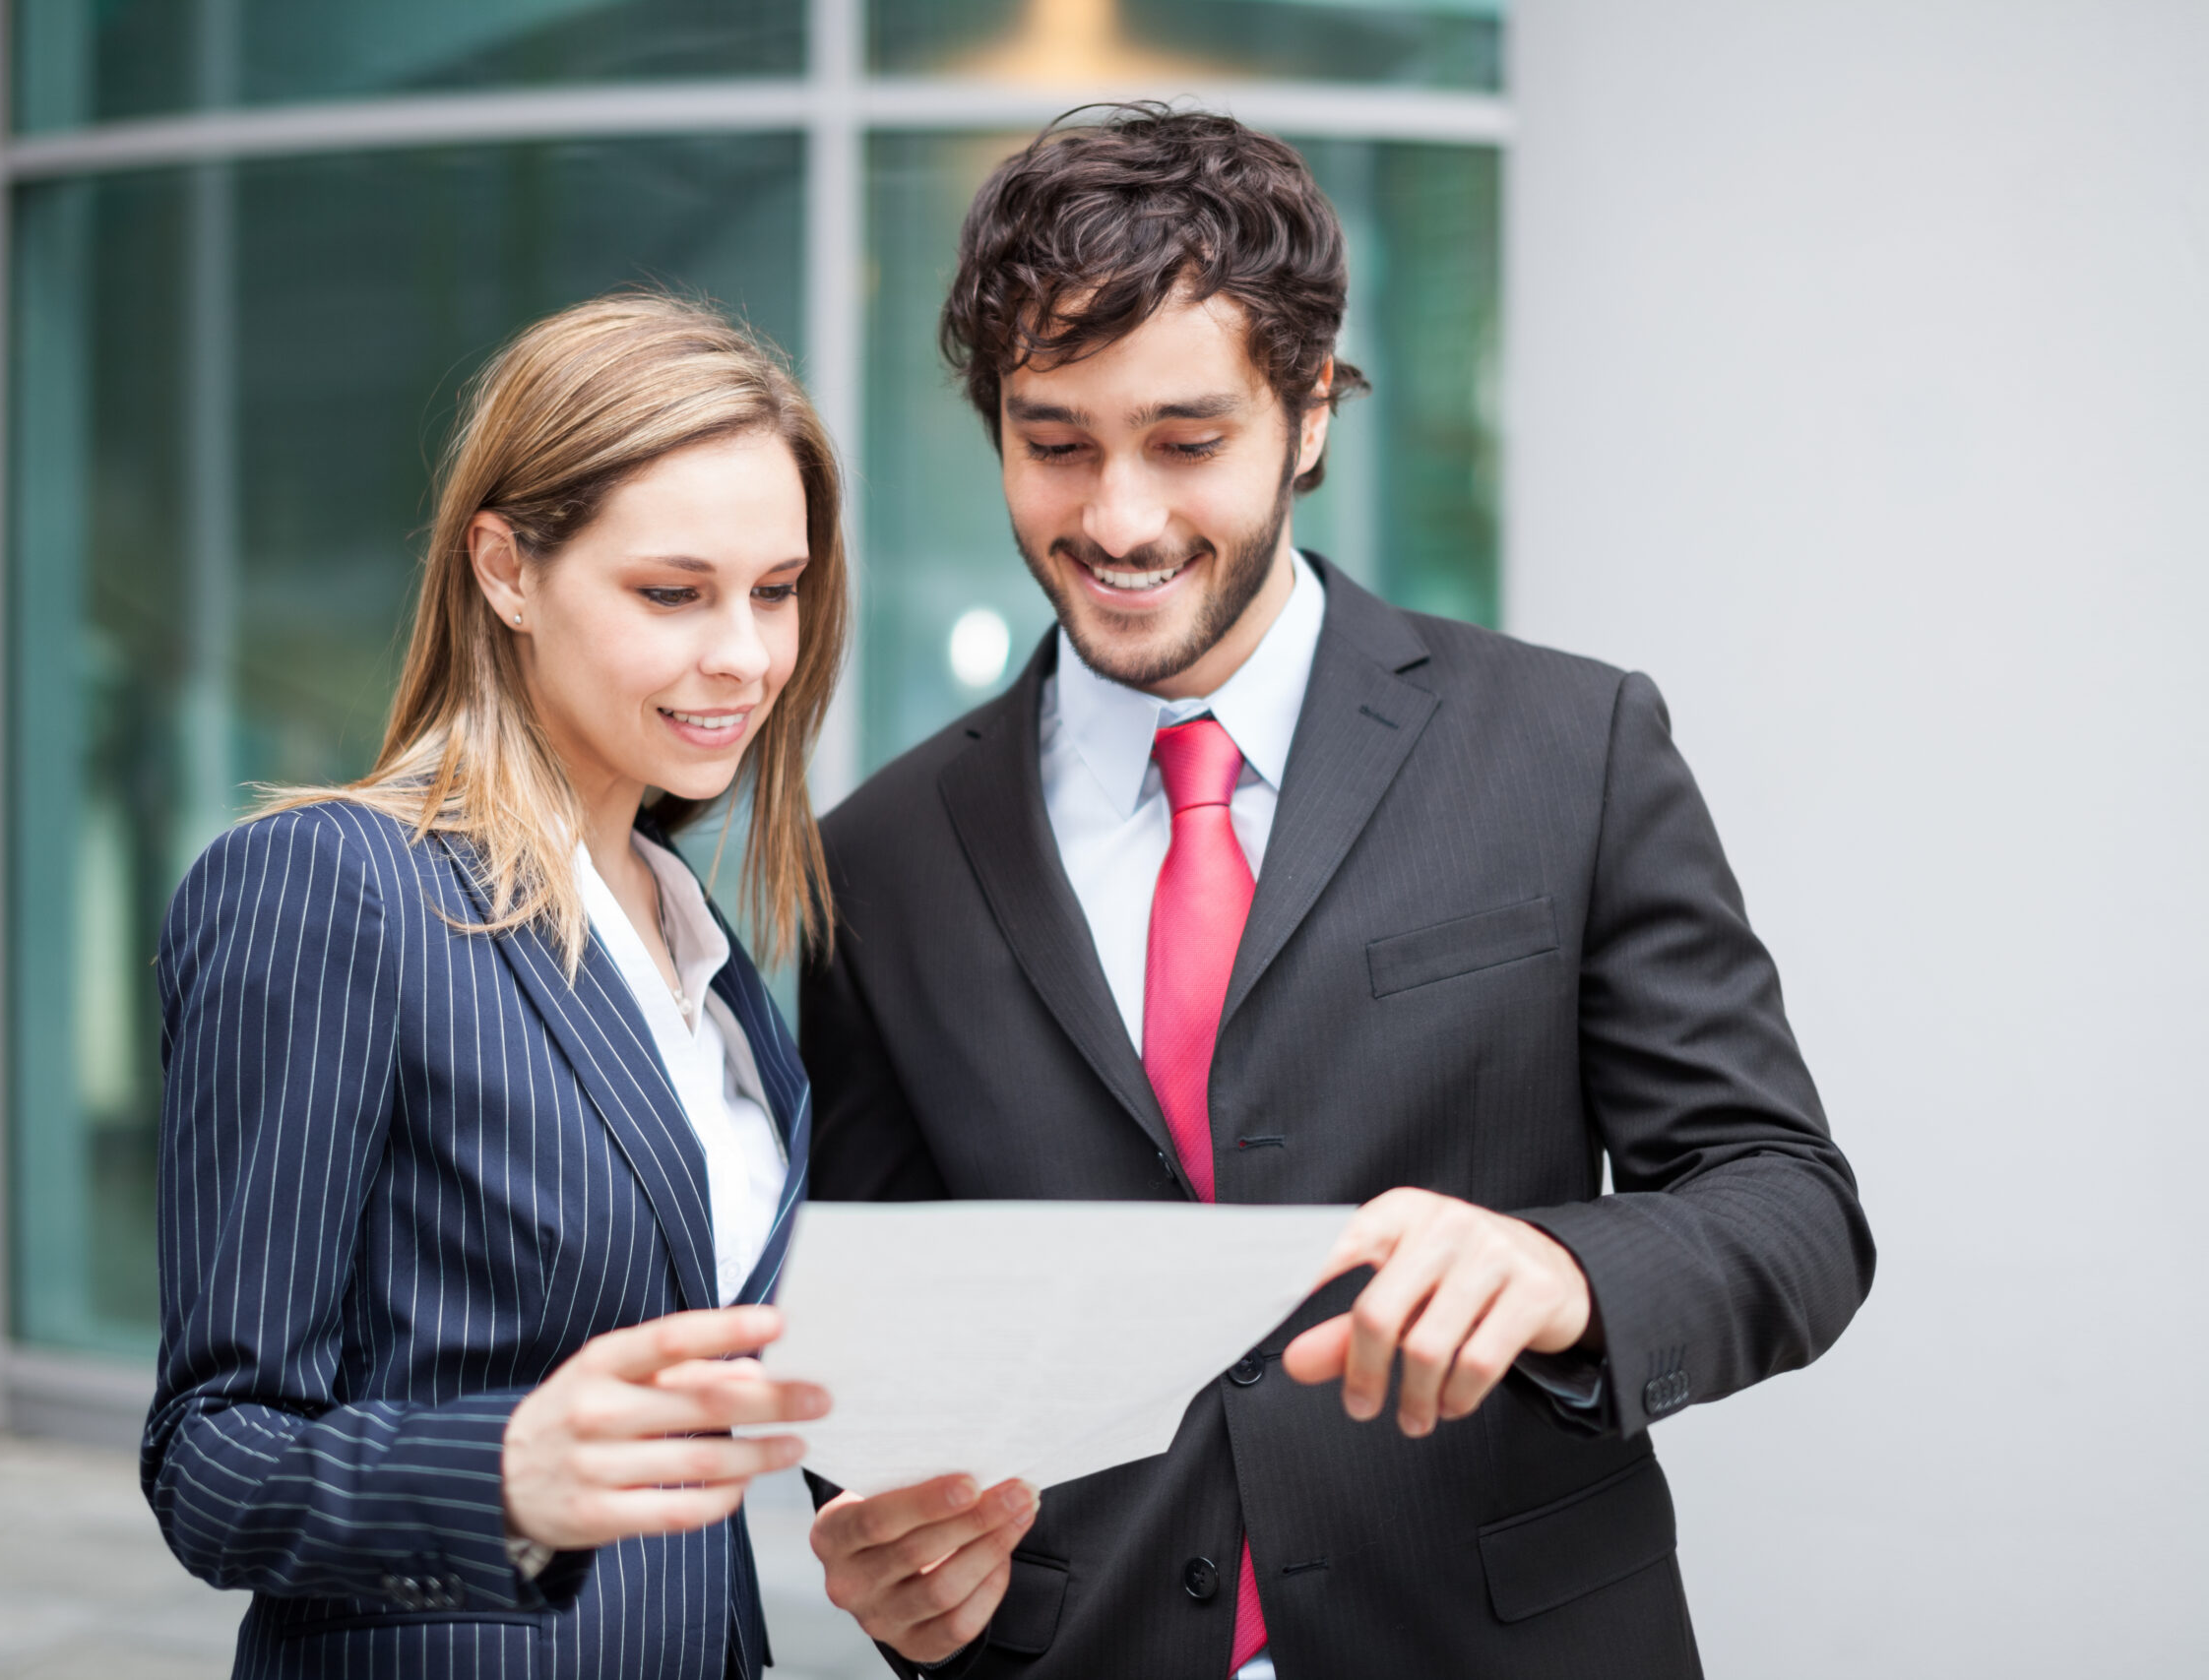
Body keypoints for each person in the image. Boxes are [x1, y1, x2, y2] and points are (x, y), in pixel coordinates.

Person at [799, 106, 1873, 1679]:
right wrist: (893, 1552)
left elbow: (1787, 1203)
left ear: (1307, 411)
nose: (1117, 520)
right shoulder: (873, 862)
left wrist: (1569, 1268)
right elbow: (879, 1321)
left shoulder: (1570, 746)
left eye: (1186, 440)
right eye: (1055, 442)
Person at [143, 294, 844, 1680]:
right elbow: (210, 1460)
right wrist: (506, 1474)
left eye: (778, 588)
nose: (748, 656)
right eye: (673, 591)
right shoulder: (329, 887)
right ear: (507, 569)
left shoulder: (694, 932)